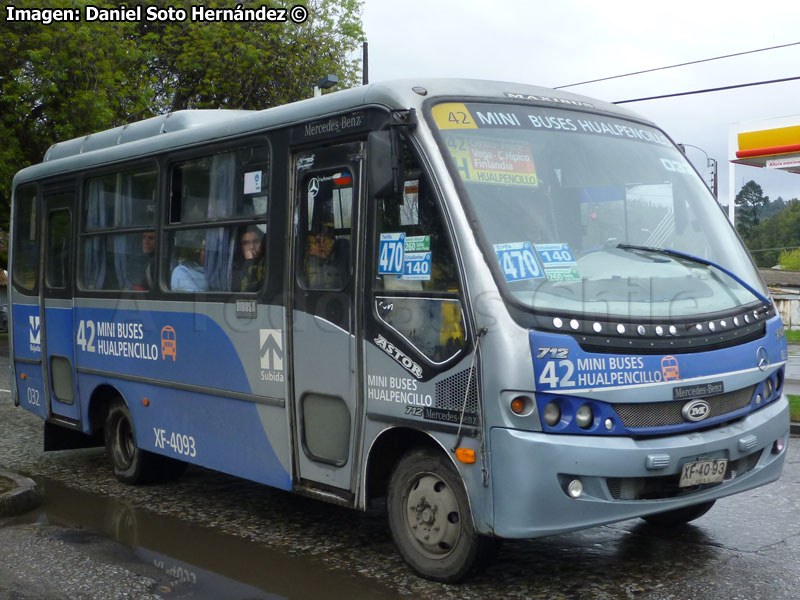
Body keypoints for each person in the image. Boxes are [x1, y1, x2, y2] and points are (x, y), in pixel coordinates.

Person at [231, 225, 266, 292]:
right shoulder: (235, 266)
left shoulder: (268, 263)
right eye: (246, 243)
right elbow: (242, 289)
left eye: (256, 242)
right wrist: (250, 262)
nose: (252, 247)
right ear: (241, 247)